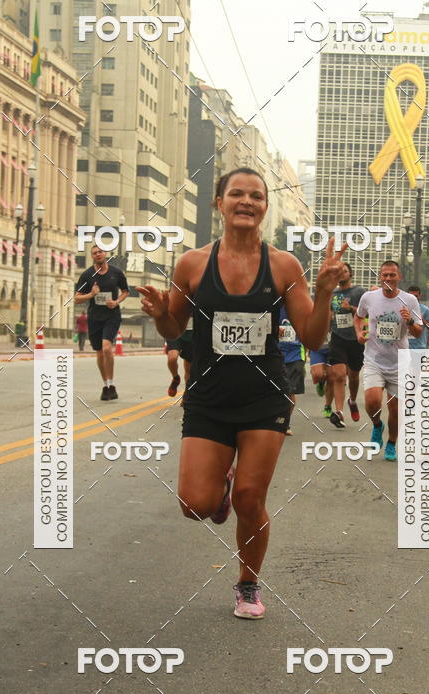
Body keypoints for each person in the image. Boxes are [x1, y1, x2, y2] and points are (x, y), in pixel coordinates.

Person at [139, 167, 346, 619]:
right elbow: (174, 328)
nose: (247, 201)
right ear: (220, 203)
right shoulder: (192, 264)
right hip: (208, 397)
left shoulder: (284, 266)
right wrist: (158, 315)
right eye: (237, 193)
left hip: (263, 397)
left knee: (250, 499)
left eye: (256, 195)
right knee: (195, 505)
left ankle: (248, 584)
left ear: (265, 207)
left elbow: (312, 337)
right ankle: (222, 486)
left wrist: (324, 294)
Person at [354, 260, 423, 462]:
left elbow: (418, 332)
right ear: (380, 277)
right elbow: (358, 317)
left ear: (399, 277)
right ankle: (377, 425)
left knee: (395, 409)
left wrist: (410, 321)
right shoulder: (369, 297)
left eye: (392, 275)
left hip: (399, 362)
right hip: (374, 359)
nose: (388, 278)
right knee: (372, 401)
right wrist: (359, 333)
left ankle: (391, 443)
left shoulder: (410, 300)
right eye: (384, 275)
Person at [74, 246, 129, 400]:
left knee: (106, 348)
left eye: (100, 252)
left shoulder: (116, 272)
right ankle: (106, 386)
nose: (98, 254)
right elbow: (77, 298)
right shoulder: (87, 275)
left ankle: (111, 383)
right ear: (92, 256)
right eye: (94, 253)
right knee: (99, 352)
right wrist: (91, 294)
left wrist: (116, 302)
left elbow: (125, 291)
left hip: (112, 315)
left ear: (105, 254)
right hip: (94, 317)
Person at [328, 262, 365, 428]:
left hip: (355, 339)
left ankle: (353, 400)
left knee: (354, 376)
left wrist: (350, 308)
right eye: (338, 272)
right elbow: (330, 315)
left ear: (350, 274)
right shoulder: (333, 294)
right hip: (337, 337)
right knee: (339, 375)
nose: (341, 274)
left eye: (344, 271)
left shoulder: (359, 292)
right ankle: (339, 412)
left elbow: (367, 313)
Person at [278, 304, 305, 435]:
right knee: (279, 391)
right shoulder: (274, 305)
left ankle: (285, 422)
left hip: (296, 354)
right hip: (277, 353)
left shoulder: (299, 306)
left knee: (289, 390)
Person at [406, 285, 429, 350]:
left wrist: (424, 321)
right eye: (411, 296)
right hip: (403, 347)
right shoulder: (402, 308)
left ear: (420, 296)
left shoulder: (425, 310)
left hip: (419, 348)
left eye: (416, 296)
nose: (414, 298)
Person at [165, 326, 193, 397]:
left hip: (192, 332)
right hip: (175, 329)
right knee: (172, 358)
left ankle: (187, 394)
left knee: (189, 369)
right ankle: (176, 378)